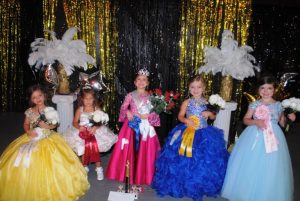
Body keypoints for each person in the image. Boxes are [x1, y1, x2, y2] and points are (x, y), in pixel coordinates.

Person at [0, 84, 89, 201]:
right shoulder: (29, 111)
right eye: (34, 97)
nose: (38, 99)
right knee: (22, 158)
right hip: (32, 138)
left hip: (48, 138)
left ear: (44, 96)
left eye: (40, 96)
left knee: (56, 161)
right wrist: (28, 131)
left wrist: (47, 125)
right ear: (31, 100)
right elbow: (26, 124)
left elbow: (55, 124)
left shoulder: (50, 110)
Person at [152, 75, 229, 201]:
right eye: (193, 87)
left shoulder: (207, 102)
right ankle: (182, 182)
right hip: (187, 132)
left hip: (203, 134)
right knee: (183, 159)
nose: (196, 89)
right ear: (189, 88)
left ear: (204, 88)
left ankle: (200, 184)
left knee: (203, 159)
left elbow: (213, 117)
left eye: (199, 87)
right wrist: (186, 120)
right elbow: (180, 116)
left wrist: (210, 113)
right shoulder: (187, 102)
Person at [221, 75, 296, 201]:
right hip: (254, 135)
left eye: (269, 88)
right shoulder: (254, 104)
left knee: (272, 165)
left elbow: (282, 123)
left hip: (273, 137)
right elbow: (245, 120)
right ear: (258, 90)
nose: (266, 91)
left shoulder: (279, 105)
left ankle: (267, 192)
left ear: (274, 89)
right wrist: (256, 122)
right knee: (250, 163)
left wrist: (289, 118)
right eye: (263, 88)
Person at [106, 68, 161, 185]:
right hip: (132, 126)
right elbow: (123, 108)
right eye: (139, 79)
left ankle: (144, 173)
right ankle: (126, 172)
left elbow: (156, 112)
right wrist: (127, 113)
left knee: (146, 149)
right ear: (135, 82)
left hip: (146, 126)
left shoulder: (151, 96)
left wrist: (149, 115)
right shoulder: (130, 95)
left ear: (147, 83)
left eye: (144, 80)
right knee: (130, 148)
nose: (141, 82)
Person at [63, 86, 117, 180]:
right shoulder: (80, 109)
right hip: (83, 132)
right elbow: (74, 122)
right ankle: (84, 166)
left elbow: (101, 121)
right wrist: (79, 127)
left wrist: (96, 127)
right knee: (83, 149)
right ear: (82, 99)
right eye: (86, 98)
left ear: (94, 99)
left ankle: (98, 168)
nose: (88, 101)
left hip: (95, 132)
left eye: (90, 98)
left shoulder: (97, 108)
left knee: (95, 148)